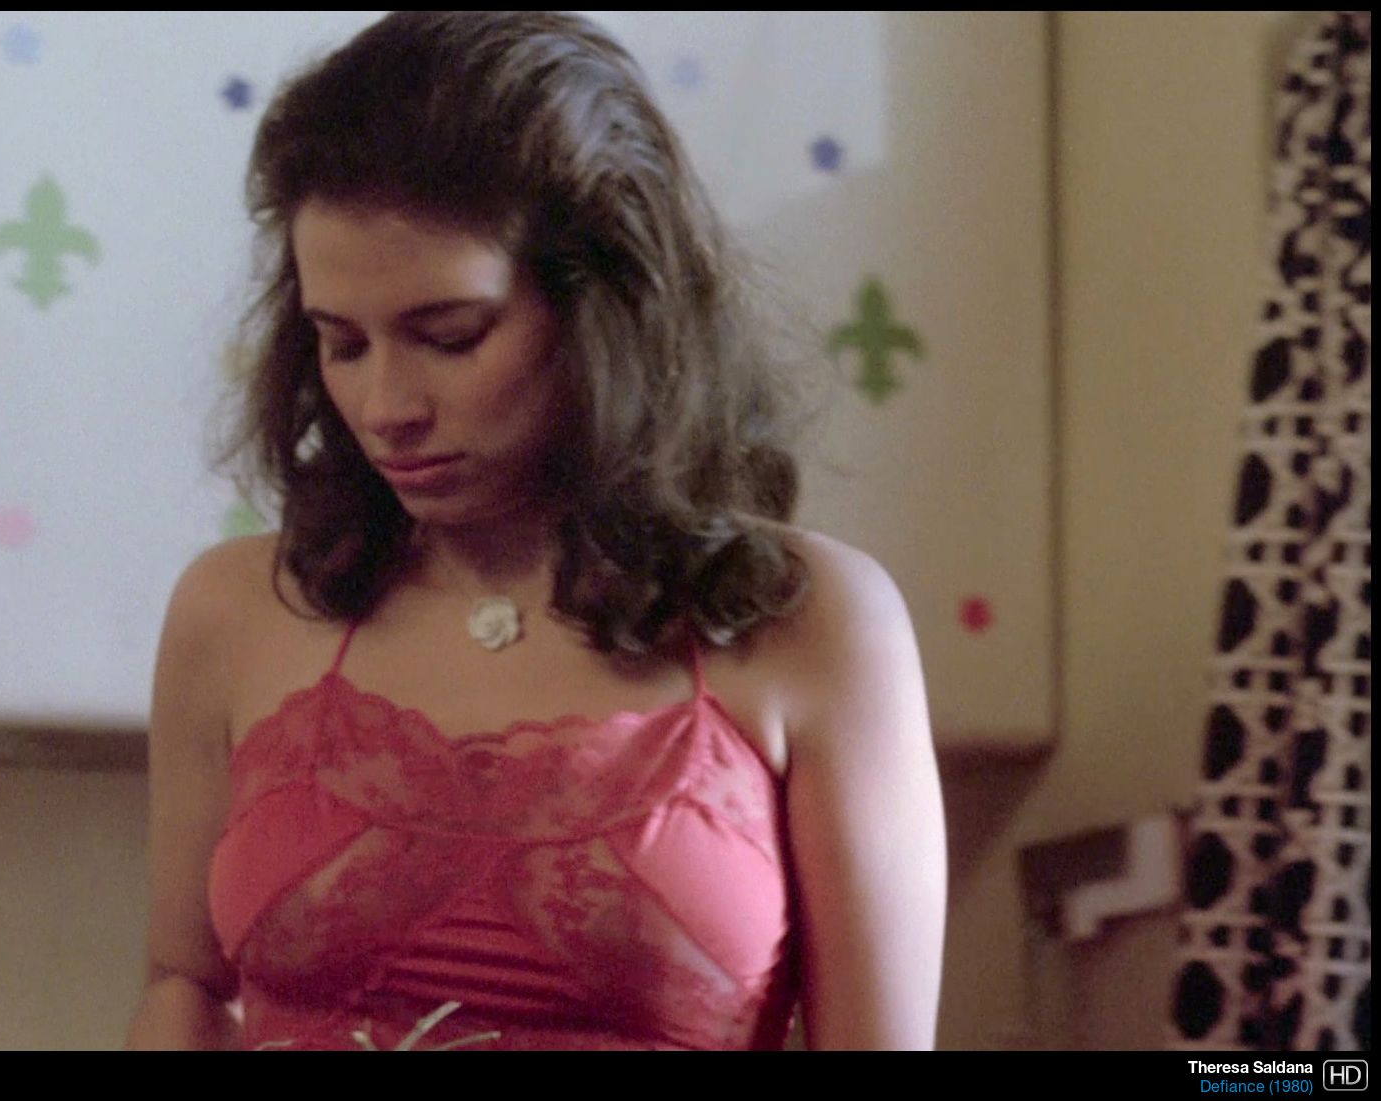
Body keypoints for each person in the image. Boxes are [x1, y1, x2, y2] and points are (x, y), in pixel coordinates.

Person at [127, 10, 944, 1050]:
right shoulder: (235, 610)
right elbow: (188, 987)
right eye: (341, 344)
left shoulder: (811, 622)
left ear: (607, 311)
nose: (385, 407)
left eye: (449, 335)